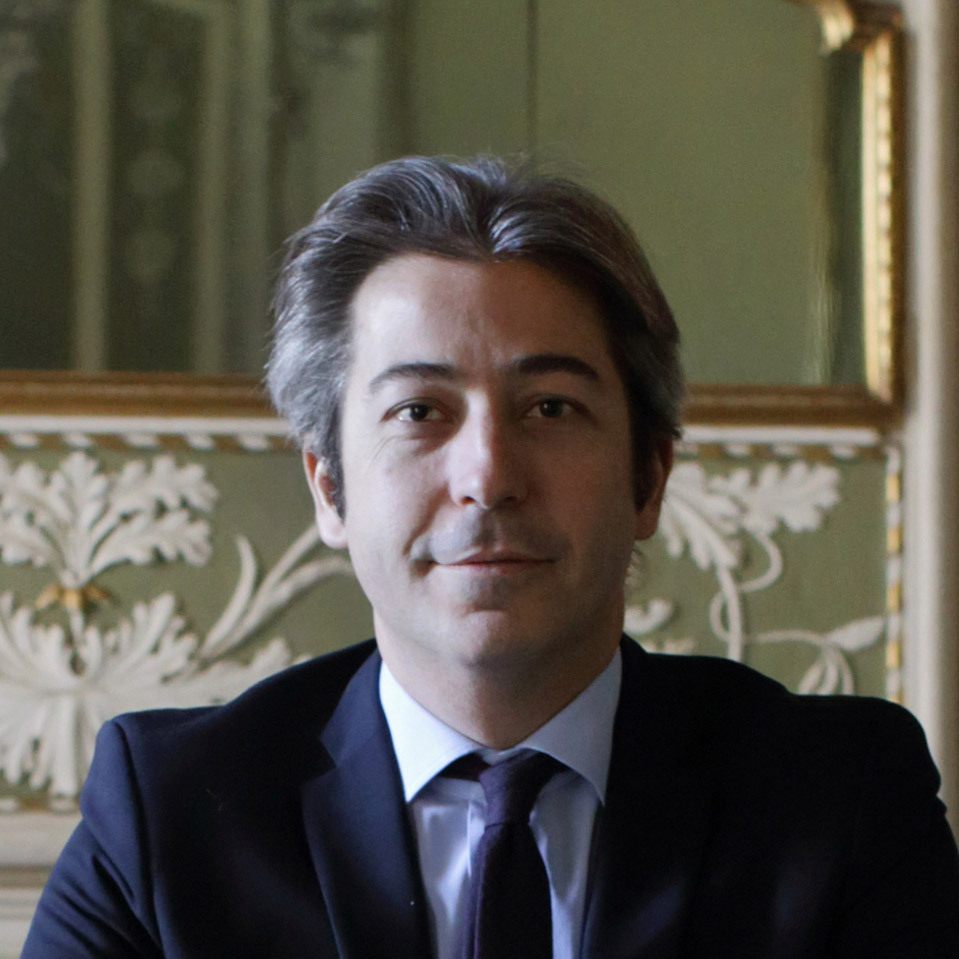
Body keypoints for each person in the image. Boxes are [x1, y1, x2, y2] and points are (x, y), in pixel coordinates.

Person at [24, 156, 959, 958]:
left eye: (550, 407)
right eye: (418, 411)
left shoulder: (839, 799)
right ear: (329, 486)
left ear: (648, 476)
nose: (488, 476)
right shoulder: (170, 813)